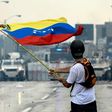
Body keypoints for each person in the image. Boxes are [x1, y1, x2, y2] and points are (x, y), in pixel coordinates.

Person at [49, 39, 97, 112]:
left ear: (72, 52)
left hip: (79, 103)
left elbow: (67, 84)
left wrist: (58, 77)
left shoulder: (75, 68)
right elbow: (72, 69)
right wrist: (56, 70)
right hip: (91, 100)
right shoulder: (86, 62)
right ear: (83, 50)